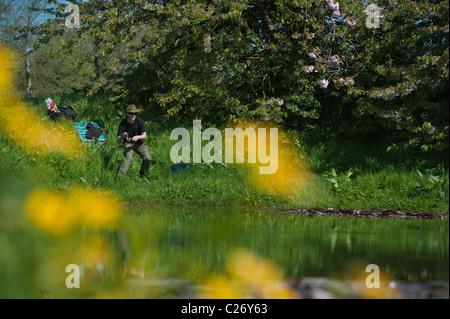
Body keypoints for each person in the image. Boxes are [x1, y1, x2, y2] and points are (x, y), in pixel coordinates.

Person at [117, 105, 151, 179]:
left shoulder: (140, 121)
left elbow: (144, 135)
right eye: (131, 113)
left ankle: (143, 174)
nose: (133, 115)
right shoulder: (123, 123)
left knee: (148, 158)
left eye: (135, 113)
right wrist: (123, 136)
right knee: (128, 158)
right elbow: (119, 141)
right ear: (127, 113)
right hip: (128, 144)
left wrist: (138, 137)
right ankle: (120, 177)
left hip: (139, 143)